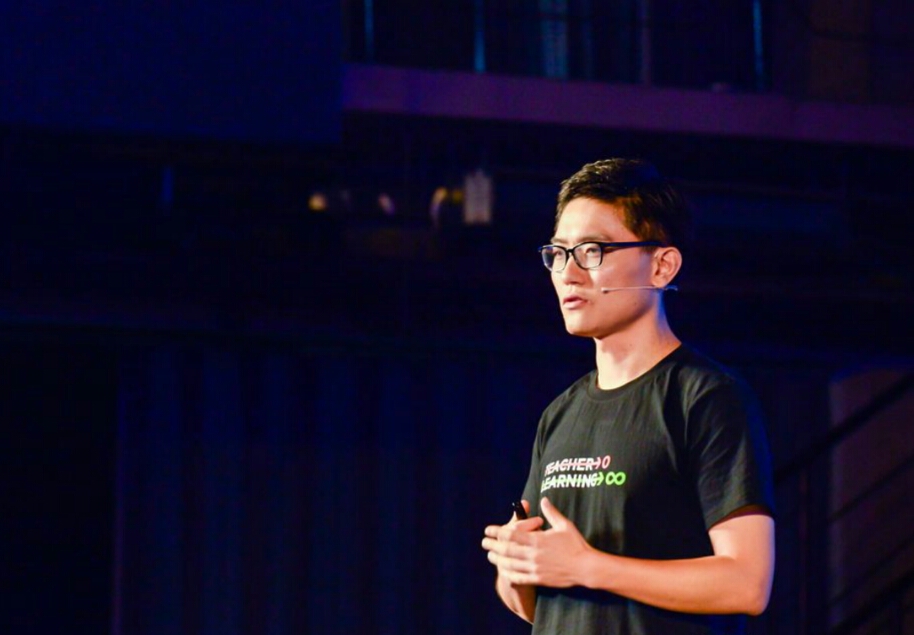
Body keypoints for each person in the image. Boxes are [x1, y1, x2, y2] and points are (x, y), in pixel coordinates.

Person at [481, 158, 776, 635]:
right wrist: (518, 567)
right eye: (558, 253)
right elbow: (539, 607)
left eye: (592, 251)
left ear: (661, 266)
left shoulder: (706, 398)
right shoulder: (560, 414)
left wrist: (588, 566)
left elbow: (747, 583)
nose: (569, 273)